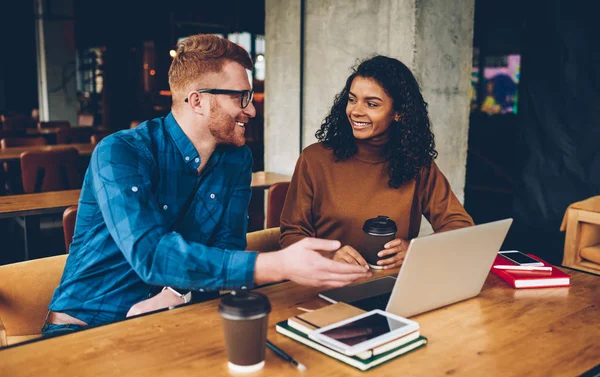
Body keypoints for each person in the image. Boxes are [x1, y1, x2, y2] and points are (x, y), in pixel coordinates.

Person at [43, 34, 371, 338]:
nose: (252, 109)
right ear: (198, 101)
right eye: (242, 97)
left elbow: (226, 247)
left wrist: (174, 293)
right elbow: (152, 254)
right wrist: (279, 264)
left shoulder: (236, 159)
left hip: (166, 322)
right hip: (84, 328)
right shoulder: (121, 151)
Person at [280, 55, 474, 269]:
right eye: (352, 99)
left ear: (398, 113)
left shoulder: (417, 164)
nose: (355, 111)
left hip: (392, 285)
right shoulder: (315, 159)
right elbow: (291, 235)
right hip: (328, 281)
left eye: (371, 104)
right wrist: (329, 255)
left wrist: (415, 248)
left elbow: (460, 226)